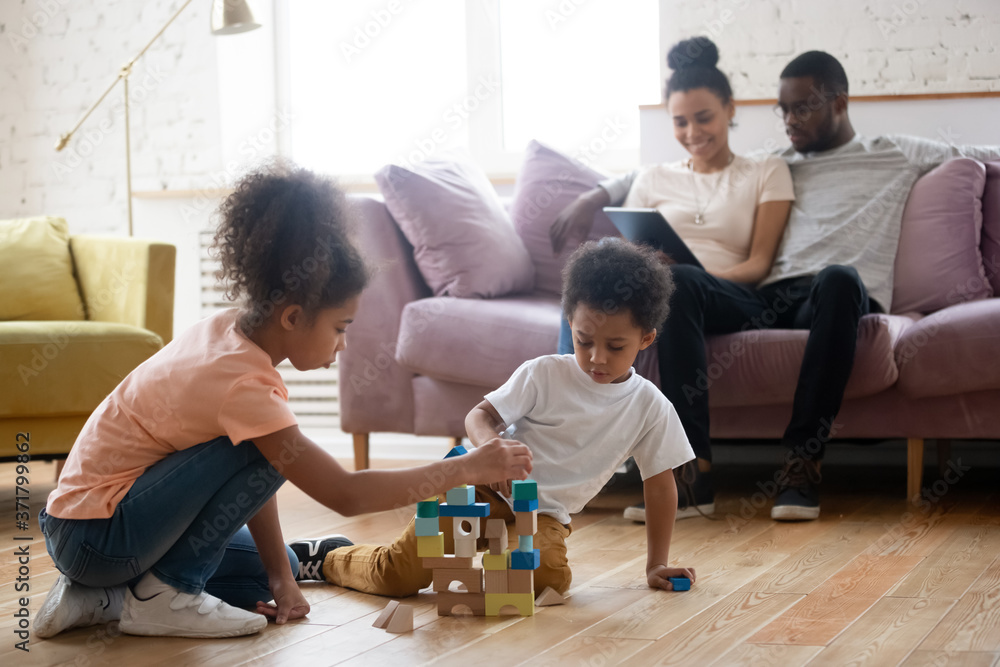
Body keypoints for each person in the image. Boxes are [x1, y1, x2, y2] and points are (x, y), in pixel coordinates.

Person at [35, 162, 532, 640]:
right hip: (99, 536)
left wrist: (280, 578)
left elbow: (248, 475)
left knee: (276, 569)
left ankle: (101, 598)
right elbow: (345, 494)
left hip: (85, 532)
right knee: (278, 448)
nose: (343, 345)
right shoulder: (242, 384)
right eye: (340, 328)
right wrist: (465, 470)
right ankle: (166, 593)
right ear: (293, 317)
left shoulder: (227, 330)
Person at [555, 46, 1000, 523]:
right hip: (769, 294)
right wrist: (596, 194)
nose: (789, 120)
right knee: (680, 281)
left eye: (802, 108)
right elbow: (657, 171)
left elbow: (983, 155)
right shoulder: (774, 161)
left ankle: (801, 464)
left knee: (839, 277)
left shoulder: (894, 152)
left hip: (839, 295)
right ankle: (690, 471)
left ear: (841, 103)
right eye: (782, 109)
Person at [291, 239, 696, 597]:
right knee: (399, 576)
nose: (596, 358)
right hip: (478, 490)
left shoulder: (651, 406)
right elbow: (480, 416)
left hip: (542, 515)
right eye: (584, 341)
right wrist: (489, 447)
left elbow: (660, 488)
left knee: (548, 580)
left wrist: (655, 564)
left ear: (646, 339)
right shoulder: (544, 373)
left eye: (616, 345)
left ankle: (476, 579)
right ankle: (329, 557)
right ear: (569, 322)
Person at [551, 36, 794, 521]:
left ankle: (692, 472)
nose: (692, 131)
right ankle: (562, 432)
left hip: (734, 294)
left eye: (704, 117)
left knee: (680, 281)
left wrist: (684, 277)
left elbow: (759, 264)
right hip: (671, 295)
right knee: (596, 260)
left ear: (729, 109)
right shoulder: (655, 177)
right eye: (680, 121)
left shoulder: (766, 170)